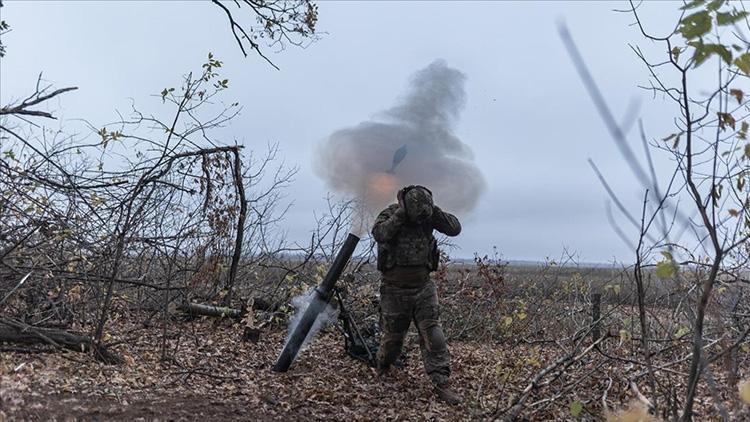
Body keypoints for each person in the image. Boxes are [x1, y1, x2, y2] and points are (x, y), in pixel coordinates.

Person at [371, 185, 462, 405]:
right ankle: (383, 368)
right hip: (394, 289)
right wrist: (401, 214)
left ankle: (441, 383)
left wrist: (433, 211)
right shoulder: (391, 213)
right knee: (392, 340)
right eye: (417, 211)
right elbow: (380, 234)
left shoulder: (428, 216)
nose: (420, 217)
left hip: (423, 286)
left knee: (433, 334)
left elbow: (454, 228)